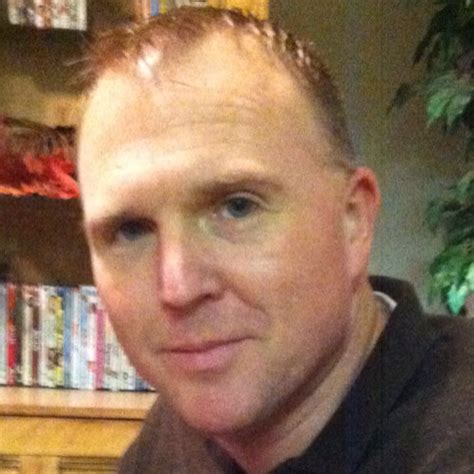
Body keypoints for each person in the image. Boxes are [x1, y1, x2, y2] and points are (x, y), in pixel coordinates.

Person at [77, 7, 474, 473]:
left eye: (237, 207)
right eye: (130, 230)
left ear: (354, 220)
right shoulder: (177, 435)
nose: (178, 289)